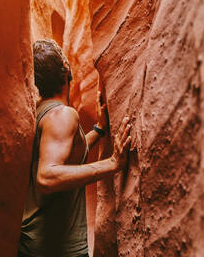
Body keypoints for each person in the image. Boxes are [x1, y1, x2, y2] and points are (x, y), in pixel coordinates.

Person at [18, 39, 132, 257]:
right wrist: (113, 163)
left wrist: (98, 130)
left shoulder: (41, 111)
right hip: (56, 248)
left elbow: (66, 152)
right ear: (65, 69)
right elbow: (47, 176)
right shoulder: (63, 114)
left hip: (33, 243)